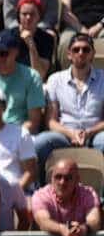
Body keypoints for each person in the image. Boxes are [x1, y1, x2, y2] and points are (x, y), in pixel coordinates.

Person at [34, 34, 104, 170]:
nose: (81, 53)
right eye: (76, 50)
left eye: (86, 50)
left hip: (95, 134)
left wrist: (89, 132)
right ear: (69, 54)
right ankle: (43, 188)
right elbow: (51, 121)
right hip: (65, 135)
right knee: (40, 142)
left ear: (93, 54)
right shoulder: (55, 80)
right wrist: (71, 134)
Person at [31, 158, 102, 236]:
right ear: (52, 178)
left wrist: (83, 229)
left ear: (77, 180)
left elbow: (94, 221)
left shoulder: (88, 194)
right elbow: (43, 221)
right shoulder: (41, 195)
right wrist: (61, 229)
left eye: (68, 178)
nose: (62, 182)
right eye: (58, 177)